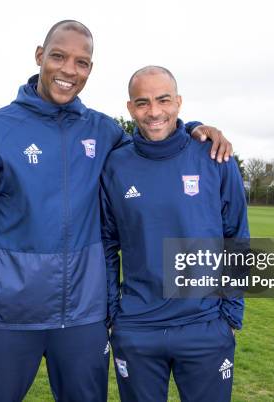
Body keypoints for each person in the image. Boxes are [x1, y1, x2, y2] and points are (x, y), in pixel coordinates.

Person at [0, 21, 233, 402]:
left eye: (81, 62)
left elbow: (155, 143)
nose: (68, 70)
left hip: (83, 318)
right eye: (59, 56)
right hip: (9, 315)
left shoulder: (103, 131)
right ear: (39, 57)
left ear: (89, 70)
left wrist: (196, 130)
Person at [100, 66, 248, 402]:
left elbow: (236, 235)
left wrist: (230, 314)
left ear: (179, 103)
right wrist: (114, 315)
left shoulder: (215, 156)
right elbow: (108, 245)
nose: (154, 112)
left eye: (163, 100)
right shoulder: (115, 165)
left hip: (205, 326)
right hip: (137, 330)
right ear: (129, 108)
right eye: (142, 103)